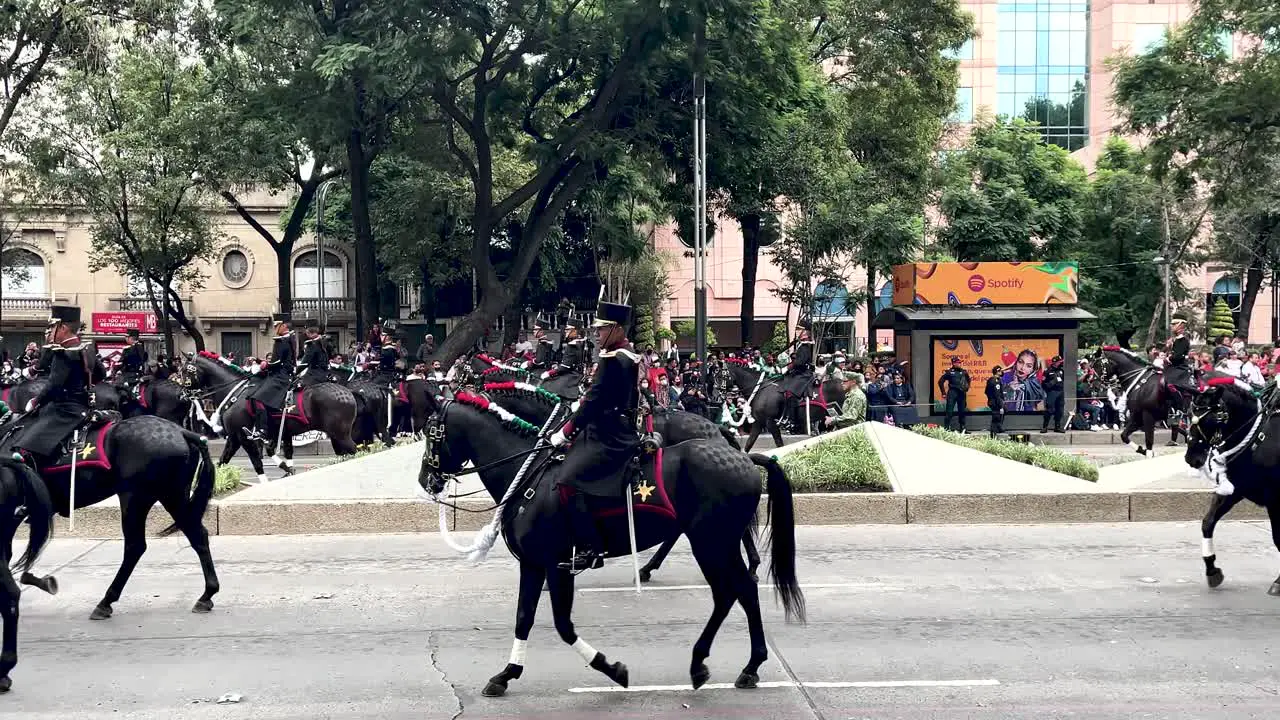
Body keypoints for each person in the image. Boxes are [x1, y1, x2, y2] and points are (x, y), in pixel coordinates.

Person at [548, 296, 642, 571]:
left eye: (601, 329)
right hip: (611, 426)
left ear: (616, 329)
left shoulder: (615, 359)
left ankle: (591, 547)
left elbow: (596, 401)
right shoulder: (622, 354)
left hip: (608, 434)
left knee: (566, 481)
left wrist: (566, 431)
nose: (597, 333)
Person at [6, 304, 105, 470]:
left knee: (27, 446)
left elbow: (53, 386)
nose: (51, 332)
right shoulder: (86, 348)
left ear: (63, 328)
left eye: (53, 328)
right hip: (86, 406)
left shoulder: (63, 352)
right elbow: (101, 373)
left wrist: (36, 401)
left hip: (65, 410)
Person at [247, 313, 297, 444]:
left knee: (257, 399)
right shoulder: (288, 338)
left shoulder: (282, 341)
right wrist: (260, 361)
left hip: (280, 377)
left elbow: (276, 362)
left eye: (277, 325)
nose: (275, 328)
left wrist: (264, 364)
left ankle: (262, 430)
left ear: (284, 326)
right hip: (280, 374)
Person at [1163, 310, 1197, 396]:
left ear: (1180, 325)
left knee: (1170, 384)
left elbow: (1177, 357)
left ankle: (1180, 405)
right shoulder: (1175, 340)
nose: (1172, 326)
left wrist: (1168, 358)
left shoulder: (1183, 340)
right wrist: (1168, 347)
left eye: (1174, 324)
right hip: (1171, 367)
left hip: (1180, 367)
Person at [938, 356, 970, 432]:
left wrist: (966, 387)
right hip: (952, 392)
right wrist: (943, 393)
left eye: (960, 362)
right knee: (949, 411)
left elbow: (968, 380)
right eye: (958, 362)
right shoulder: (949, 372)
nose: (960, 364)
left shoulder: (964, 371)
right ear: (954, 363)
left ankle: (963, 429)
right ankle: (946, 428)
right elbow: (940, 381)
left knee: (962, 411)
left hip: (962, 393)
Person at [1041, 355, 1067, 433]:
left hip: (1060, 392)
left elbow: (1063, 380)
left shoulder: (1061, 370)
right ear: (1055, 362)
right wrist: (1051, 384)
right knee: (1049, 410)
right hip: (1052, 392)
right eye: (1059, 362)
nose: (1061, 363)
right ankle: (1045, 427)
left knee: (1060, 410)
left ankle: (1057, 427)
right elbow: (1043, 383)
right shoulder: (1047, 371)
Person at [117, 328, 148, 393]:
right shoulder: (141, 347)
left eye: (126, 337)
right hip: (139, 374)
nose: (125, 339)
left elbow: (123, 363)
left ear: (131, 338)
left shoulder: (130, 350)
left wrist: (118, 369)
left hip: (130, 376)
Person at [985, 366, 1004, 438]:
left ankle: (999, 428)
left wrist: (990, 398)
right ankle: (993, 436)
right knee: (995, 418)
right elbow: (997, 395)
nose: (1002, 372)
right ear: (998, 372)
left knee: (1001, 414)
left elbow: (986, 392)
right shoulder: (996, 381)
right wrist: (1000, 406)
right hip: (996, 402)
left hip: (992, 401)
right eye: (1001, 371)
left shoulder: (990, 379)